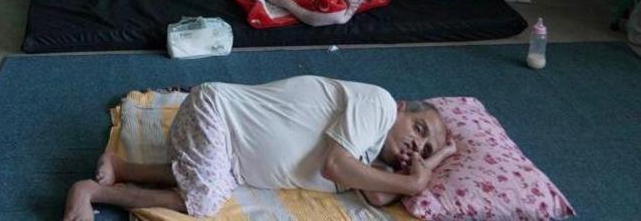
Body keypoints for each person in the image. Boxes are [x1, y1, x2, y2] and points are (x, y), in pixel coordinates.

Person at [63, 76, 456, 221]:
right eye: (419, 129)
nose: (414, 144)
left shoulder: (368, 159)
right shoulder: (380, 105)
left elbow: (379, 192)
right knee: (205, 200)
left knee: (212, 177)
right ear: (404, 108)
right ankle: (92, 191)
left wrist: (431, 162)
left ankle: (121, 166)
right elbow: (336, 166)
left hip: (227, 150)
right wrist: (417, 183)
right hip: (214, 111)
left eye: (422, 146)